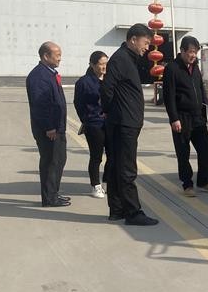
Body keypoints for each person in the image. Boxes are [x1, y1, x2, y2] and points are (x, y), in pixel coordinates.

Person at [101, 24, 159, 226]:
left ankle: (117, 210)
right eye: (145, 43)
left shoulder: (127, 59)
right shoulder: (121, 59)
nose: (147, 48)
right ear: (133, 39)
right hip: (123, 123)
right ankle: (133, 213)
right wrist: (112, 112)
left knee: (117, 166)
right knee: (126, 168)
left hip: (125, 122)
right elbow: (107, 89)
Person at [163, 35, 208, 197]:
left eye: (196, 52)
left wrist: (205, 103)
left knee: (205, 148)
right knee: (183, 152)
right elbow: (169, 96)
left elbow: (200, 87)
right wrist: (174, 118)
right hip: (182, 117)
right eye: (191, 52)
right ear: (182, 51)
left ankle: (204, 181)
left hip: (197, 117)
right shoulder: (172, 68)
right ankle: (187, 184)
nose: (193, 55)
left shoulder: (195, 67)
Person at [26, 41, 69, 207]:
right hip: (49, 130)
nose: (60, 58)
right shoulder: (38, 76)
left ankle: (53, 193)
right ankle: (49, 198)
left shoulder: (49, 73)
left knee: (59, 160)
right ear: (45, 56)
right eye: (57, 55)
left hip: (57, 127)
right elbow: (40, 105)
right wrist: (49, 127)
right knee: (51, 162)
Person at [74, 50, 108, 199]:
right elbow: (78, 103)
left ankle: (107, 181)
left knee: (113, 154)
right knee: (96, 156)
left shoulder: (109, 79)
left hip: (110, 122)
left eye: (106, 63)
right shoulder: (83, 82)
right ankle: (95, 185)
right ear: (92, 65)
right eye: (101, 64)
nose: (104, 67)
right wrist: (86, 118)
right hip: (94, 124)